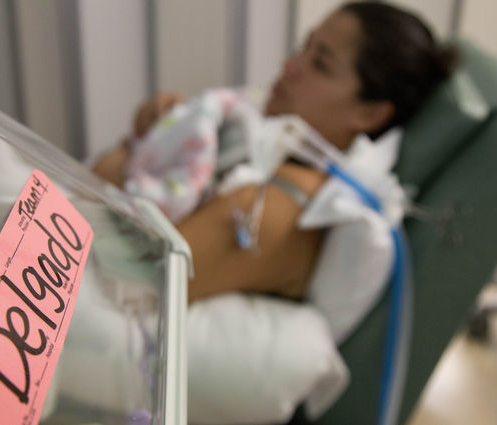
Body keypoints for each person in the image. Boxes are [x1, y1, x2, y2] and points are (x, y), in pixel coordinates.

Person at [92, 1, 457, 303]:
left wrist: (124, 156)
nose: (289, 66)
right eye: (305, 46)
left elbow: (130, 284)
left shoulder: (284, 209)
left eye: (320, 64)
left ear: (370, 113)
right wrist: (165, 128)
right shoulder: (261, 138)